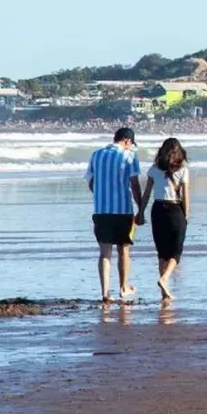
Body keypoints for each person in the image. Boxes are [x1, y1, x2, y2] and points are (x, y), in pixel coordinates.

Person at [85, 128, 144, 302]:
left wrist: (100, 195)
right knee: (123, 249)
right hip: (123, 210)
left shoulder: (96, 155)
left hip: (101, 210)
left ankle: (105, 293)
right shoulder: (129, 155)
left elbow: (91, 181)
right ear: (127, 141)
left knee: (105, 252)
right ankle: (123, 287)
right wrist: (141, 207)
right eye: (131, 144)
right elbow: (134, 185)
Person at [138, 138, 190, 302]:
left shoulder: (154, 169)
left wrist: (141, 212)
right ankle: (165, 278)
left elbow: (147, 193)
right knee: (176, 252)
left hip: (158, 210)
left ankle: (164, 293)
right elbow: (185, 196)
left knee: (162, 252)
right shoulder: (182, 169)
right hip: (175, 209)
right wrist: (186, 215)